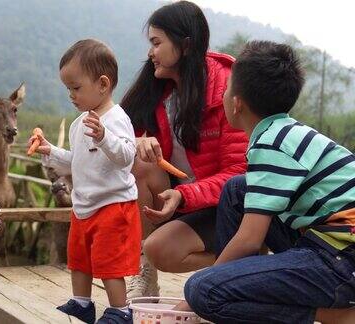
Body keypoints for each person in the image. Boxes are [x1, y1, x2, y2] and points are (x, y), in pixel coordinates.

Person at [184, 41, 355, 324]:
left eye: (226, 89)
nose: (223, 95)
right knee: (238, 190)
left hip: (341, 261)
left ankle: (338, 316)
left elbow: (250, 239)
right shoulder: (285, 131)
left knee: (202, 291)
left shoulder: (272, 145)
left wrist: (199, 293)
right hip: (328, 243)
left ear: (236, 103)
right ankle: (233, 286)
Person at [121, 0, 247, 298]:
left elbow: (239, 172)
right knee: (139, 163)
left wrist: (184, 194)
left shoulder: (228, 91)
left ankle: (244, 261)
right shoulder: (157, 89)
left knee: (163, 249)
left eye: (156, 42)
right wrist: (134, 140)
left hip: (226, 207)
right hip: (180, 202)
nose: (150, 52)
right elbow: (113, 135)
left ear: (185, 45)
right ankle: (145, 272)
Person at [29, 39, 140, 324]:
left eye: (76, 88)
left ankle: (120, 310)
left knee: (109, 263)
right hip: (84, 206)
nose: (71, 95)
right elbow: (74, 163)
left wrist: (104, 137)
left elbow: (127, 156)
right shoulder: (80, 123)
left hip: (113, 204)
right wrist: (50, 152)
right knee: (79, 258)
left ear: (103, 84)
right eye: (68, 89)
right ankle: (81, 303)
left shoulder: (116, 119)